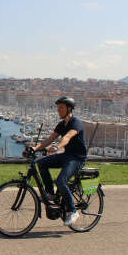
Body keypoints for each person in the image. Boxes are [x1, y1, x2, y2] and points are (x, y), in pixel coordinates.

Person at [31, 96, 87, 226]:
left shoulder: (76, 123)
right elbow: (50, 139)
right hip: (66, 156)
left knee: (61, 181)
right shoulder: (62, 124)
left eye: (61, 108)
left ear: (69, 109)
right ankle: (50, 194)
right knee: (42, 162)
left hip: (77, 158)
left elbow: (67, 137)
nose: (59, 110)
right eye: (58, 108)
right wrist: (35, 148)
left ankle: (72, 211)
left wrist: (57, 147)